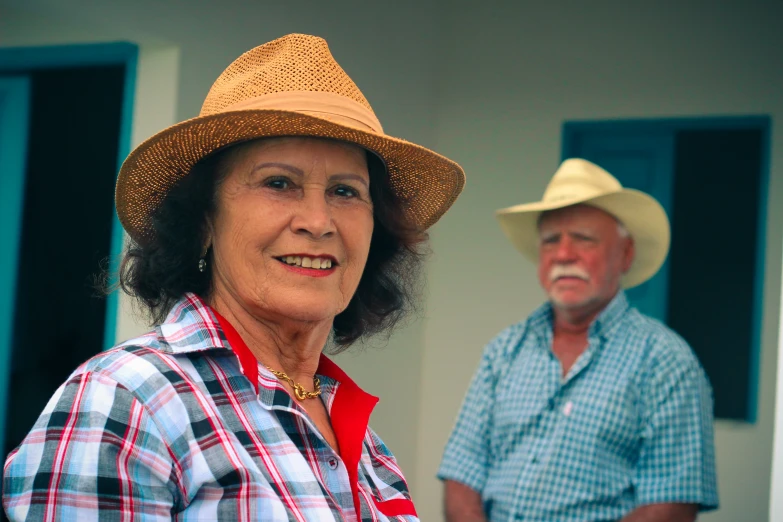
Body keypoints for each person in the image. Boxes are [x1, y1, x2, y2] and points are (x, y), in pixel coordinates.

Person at [3, 33, 465, 521]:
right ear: (203, 221)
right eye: (279, 183)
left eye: (345, 191)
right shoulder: (127, 400)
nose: (318, 220)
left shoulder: (369, 447)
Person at [438, 159, 718, 522]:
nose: (564, 254)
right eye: (551, 240)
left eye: (583, 238)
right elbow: (462, 472)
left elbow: (672, 504)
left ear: (626, 254)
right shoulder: (505, 350)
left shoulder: (666, 361)